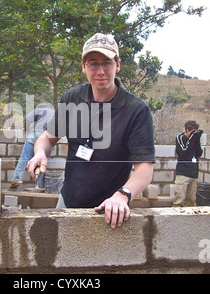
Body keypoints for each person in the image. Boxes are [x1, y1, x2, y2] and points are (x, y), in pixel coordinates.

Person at [27, 33, 155, 228]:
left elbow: (145, 170)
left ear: (117, 65)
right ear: (84, 67)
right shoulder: (73, 97)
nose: (101, 71)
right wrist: (39, 153)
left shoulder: (136, 110)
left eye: (107, 63)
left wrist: (123, 195)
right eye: (93, 63)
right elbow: (47, 138)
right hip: (68, 201)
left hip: (109, 210)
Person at [10, 103, 54, 192]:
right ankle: (39, 186)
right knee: (41, 162)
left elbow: (28, 118)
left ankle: (16, 179)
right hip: (47, 138)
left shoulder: (39, 110)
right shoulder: (55, 112)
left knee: (24, 158)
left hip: (34, 135)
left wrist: (27, 130)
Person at [173, 120, 203, 207]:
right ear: (187, 130)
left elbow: (199, 153)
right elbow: (183, 153)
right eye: (192, 132)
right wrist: (192, 139)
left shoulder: (195, 140)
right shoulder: (180, 138)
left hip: (193, 173)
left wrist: (196, 140)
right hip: (183, 173)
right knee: (179, 199)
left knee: (191, 200)